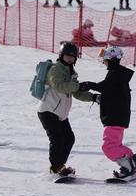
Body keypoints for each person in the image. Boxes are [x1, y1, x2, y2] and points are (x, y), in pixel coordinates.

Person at [79, 46, 136, 178]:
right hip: (119, 117)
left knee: (108, 147)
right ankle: (134, 163)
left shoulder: (115, 74)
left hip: (114, 117)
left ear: (111, 59)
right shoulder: (119, 74)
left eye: (105, 59)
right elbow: (108, 89)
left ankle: (127, 167)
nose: (103, 62)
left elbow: (104, 87)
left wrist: (88, 84)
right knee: (117, 145)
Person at [37, 42, 97, 177]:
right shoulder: (55, 70)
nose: (70, 59)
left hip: (60, 113)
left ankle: (59, 166)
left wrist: (93, 97)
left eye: (72, 57)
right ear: (61, 56)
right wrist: (78, 86)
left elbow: (76, 93)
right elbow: (60, 86)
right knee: (57, 139)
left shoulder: (72, 72)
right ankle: (56, 168)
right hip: (47, 110)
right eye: (67, 56)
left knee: (69, 138)